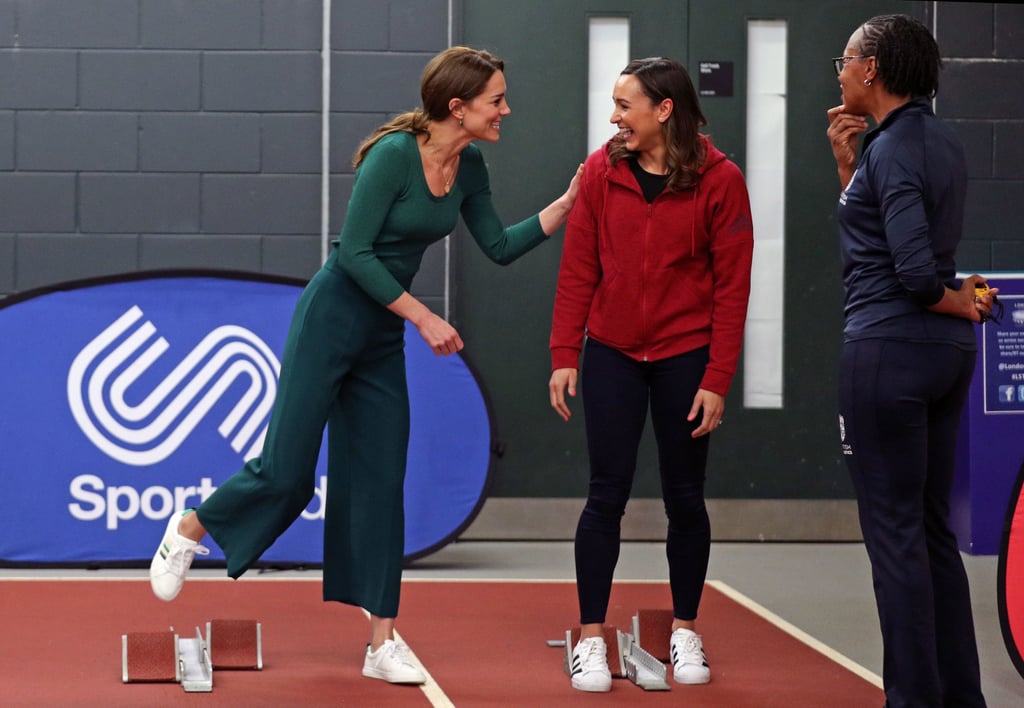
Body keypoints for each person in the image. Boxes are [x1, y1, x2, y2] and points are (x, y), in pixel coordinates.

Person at [148, 46, 581, 685]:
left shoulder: (471, 163)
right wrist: (424, 317)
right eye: (497, 100)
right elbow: (353, 253)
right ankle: (189, 526)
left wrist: (568, 202)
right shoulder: (392, 158)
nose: (506, 110)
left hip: (381, 334)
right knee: (287, 473)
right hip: (332, 318)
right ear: (457, 108)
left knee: (380, 482)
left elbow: (497, 245)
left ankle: (382, 641)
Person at [549, 57, 753, 692]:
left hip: (685, 359)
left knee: (685, 498)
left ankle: (685, 631)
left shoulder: (721, 180)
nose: (614, 117)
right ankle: (588, 640)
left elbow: (733, 287)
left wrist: (718, 376)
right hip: (611, 354)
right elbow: (579, 266)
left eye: (624, 105)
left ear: (664, 110)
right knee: (603, 496)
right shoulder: (600, 171)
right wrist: (564, 355)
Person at [826, 14, 994, 708]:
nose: (837, 72)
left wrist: (951, 298)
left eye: (844, 60)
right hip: (942, 359)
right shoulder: (935, 141)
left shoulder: (891, 153)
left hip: (889, 351)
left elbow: (916, 271)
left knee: (894, 538)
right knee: (929, 533)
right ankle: (960, 698)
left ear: (872, 70)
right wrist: (847, 167)